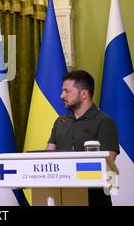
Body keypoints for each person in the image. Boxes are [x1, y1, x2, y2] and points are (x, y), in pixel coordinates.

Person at [46, 70, 119, 206]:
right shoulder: (60, 122)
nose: (61, 95)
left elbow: (107, 165)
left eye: (66, 91)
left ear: (84, 94)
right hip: (62, 197)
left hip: (95, 200)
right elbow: (47, 157)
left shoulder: (104, 122)